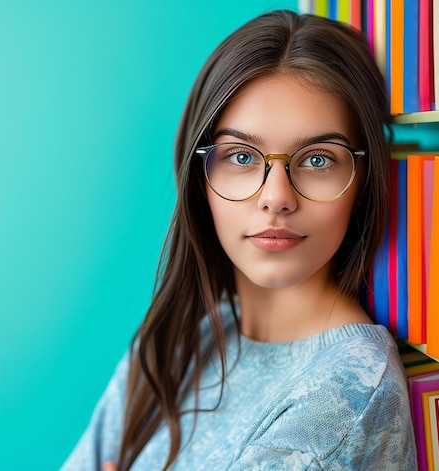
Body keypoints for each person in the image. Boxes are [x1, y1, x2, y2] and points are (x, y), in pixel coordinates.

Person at [61, 9, 416, 470]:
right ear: (199, 177)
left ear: (364, 178)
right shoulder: (182, 339)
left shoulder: (346, 395)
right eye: (242, 155)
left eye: (317, 160)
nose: (276, 198)